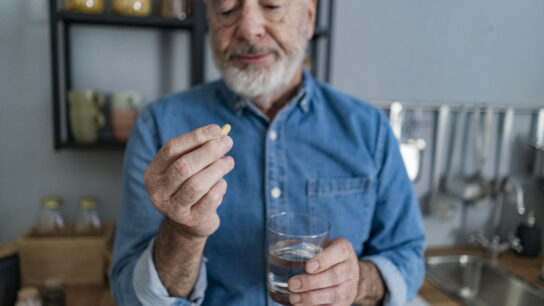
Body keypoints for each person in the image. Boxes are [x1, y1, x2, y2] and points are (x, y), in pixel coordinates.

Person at [110, 0, 426, 305]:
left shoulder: (370, 130)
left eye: (272, 6)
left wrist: (360, 281)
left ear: (310, 17)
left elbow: (408, 254)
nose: (248, 29)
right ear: (210, 19)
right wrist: (183, 234)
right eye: (227, 9)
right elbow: (130, 297)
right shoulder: (159, 128)